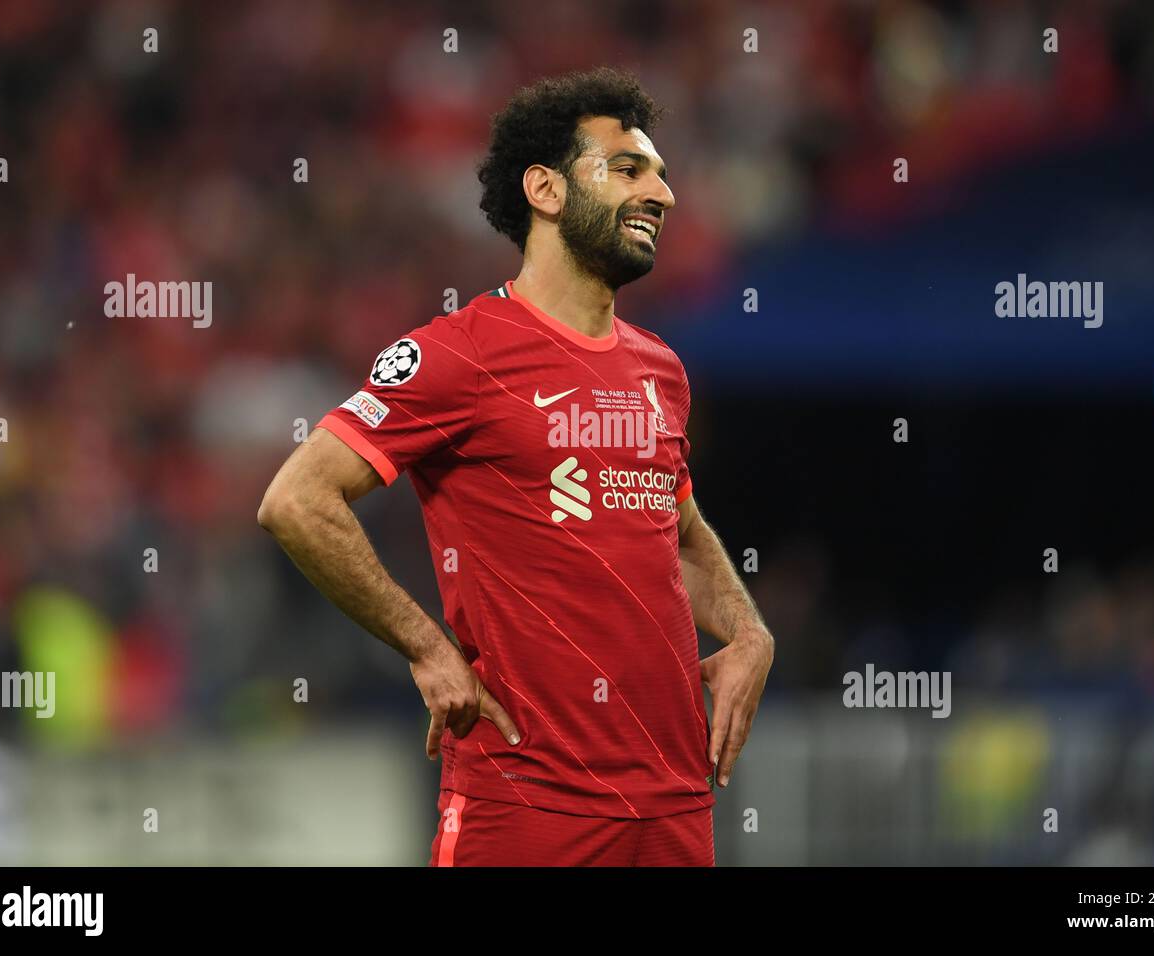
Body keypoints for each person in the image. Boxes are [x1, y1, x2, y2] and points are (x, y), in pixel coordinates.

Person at [258, 67, 773, 866]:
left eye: (664, 176)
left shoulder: (659, 369)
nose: (663, 195)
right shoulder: (457, 355)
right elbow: (297, 499)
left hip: (674, 803)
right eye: (629, 169)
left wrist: (746, 631)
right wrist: (426, 648)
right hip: (529, 801)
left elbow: (677, 528)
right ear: (547, 189)